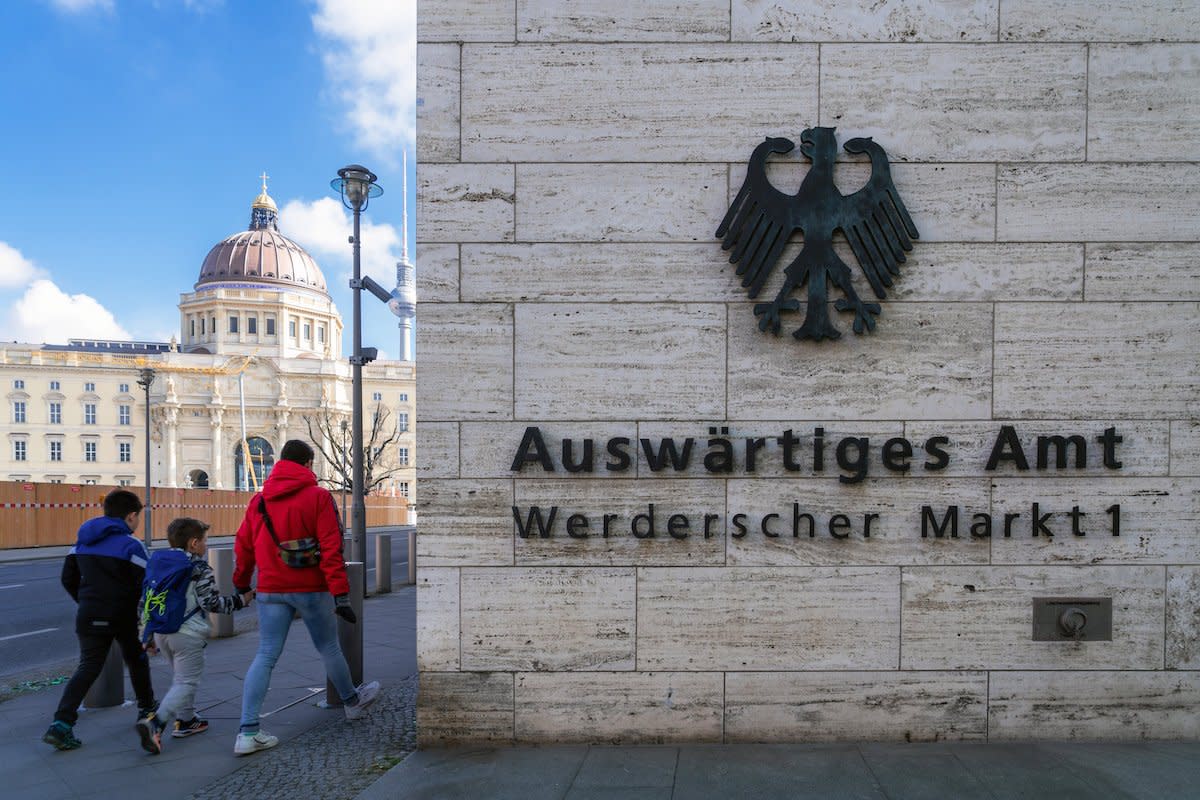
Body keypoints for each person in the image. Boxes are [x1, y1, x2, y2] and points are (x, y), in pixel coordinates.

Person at [232, 439, 380, 756]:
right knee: (328, 647)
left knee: (266, 655)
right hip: (311, 588)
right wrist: (341, 594)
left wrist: (242, 584)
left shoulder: (258, 502)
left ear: (279, 463)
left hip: (270, 589)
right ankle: (352, 703)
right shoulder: (318, 497)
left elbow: (243, 547)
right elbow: (331, 548)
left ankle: (247, 731)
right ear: (309, 464)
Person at [43, 489, 157, 752]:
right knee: (137, 660)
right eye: (137, 517)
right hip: (122, 615)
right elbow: (147, 585)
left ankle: (61, 724)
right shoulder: (132, 545)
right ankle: (147, 711)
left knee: (88, 667)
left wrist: (85, 602)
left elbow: (67, 579)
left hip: (89, 614)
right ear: (131, 516)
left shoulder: (81, 543)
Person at [135, 517, 254, 754]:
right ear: (193, 543)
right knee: (186, 681)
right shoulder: (197, 568)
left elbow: (145, 602)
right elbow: (211, 602)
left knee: (181, 679)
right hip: (187, 632)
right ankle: (155, 724)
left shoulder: (158, 563)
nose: (206, 546)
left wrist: (145, 635)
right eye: (205, 541)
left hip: (161, 633)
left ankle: (187, 721)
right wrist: (242, 600)